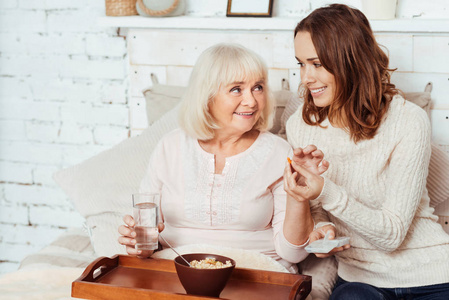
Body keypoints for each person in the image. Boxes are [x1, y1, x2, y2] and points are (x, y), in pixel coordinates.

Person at [285, 4, 449, 299]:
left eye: (317, 64)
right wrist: (322, 226)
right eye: (301, 64)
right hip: (360, 281)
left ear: (351, 61)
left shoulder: (408, 120)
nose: (306, 77)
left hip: (430, 276)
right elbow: (318, 205)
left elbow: (392, 235)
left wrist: (326, 189)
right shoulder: (301, 126)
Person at [117, 43, 325, 273]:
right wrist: (139, 244)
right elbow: (147, 239)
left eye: (257, 87)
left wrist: (298, 197)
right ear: (207, 96)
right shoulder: (170, 146)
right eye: (236, 89)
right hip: (176, 271)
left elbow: (293, 253)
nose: (252, 101)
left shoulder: (279, 152)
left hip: (256, 273)